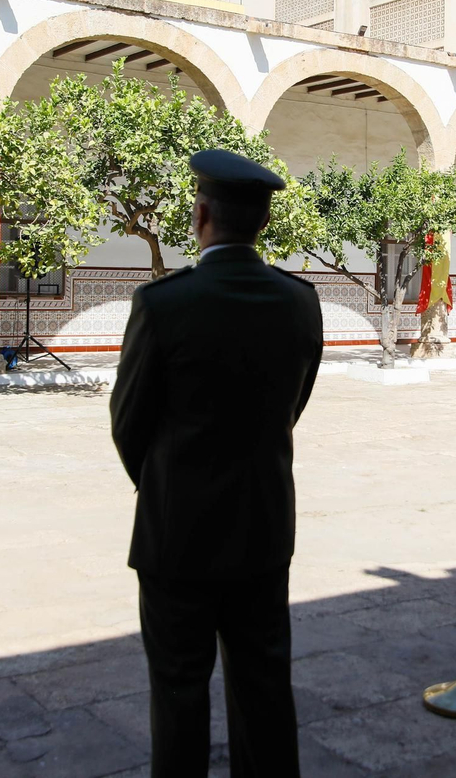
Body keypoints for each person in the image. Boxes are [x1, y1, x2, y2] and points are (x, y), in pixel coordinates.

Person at [110, 149, 323, 778]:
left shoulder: (163, 303)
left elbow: (129, 425)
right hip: (262, 524)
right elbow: (293, 403)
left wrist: (169, 486)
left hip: (178, 536)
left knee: (178, 695)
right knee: (264, 689)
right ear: (260, 223)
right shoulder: (299, 301)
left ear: (201, 213)